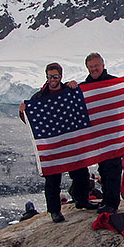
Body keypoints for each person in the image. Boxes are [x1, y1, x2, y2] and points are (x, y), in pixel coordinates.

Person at [67, 52, 124, 214]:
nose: (94, 69)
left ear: (103, 65)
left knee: (113, 167)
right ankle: (106, 200)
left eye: (96, 66)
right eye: (91, 67)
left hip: (113, 135)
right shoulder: (84, 87)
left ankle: (112, 203)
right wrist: (69, 88)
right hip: (96, 137)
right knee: (103, 169)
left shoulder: (114, 83)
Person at [19, 62, 89, 222]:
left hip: (71, 142)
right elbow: (31, 121)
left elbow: (81, 104)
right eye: (50, 76)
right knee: (52, 180)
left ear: (60, 77)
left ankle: (82, 200)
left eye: (55, 76)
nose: (52, 79)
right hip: (52, 145)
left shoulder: (68, 91)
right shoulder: (38, 98)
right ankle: (54, 211)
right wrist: (22, 112)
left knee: (81, 174)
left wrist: (75, 87)